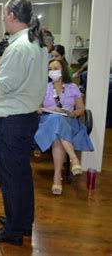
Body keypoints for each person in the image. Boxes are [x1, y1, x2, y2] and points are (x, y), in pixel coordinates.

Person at [0, 0, 49, 246]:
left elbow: (0, 87)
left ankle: (13, 232)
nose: (2, 19)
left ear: (11, 16)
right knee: (21, 175)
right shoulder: (36, 43)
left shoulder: (19, 47)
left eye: (3, 15)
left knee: (11, 177)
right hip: (25, 118)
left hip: (10, 122)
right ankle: (22, 222)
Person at [34, 59, 93, 195]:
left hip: (68, 122)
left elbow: (81, 109)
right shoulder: (45, 87)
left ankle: (57, 178)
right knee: (56, 118)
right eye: (50, 68)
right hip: (47, 121)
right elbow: (36, 108)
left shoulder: (72, 87)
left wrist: (73, 113)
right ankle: (74, 159)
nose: (53, 71)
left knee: (58, 133)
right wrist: (50, 108)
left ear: (63, 69)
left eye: (56, 68)